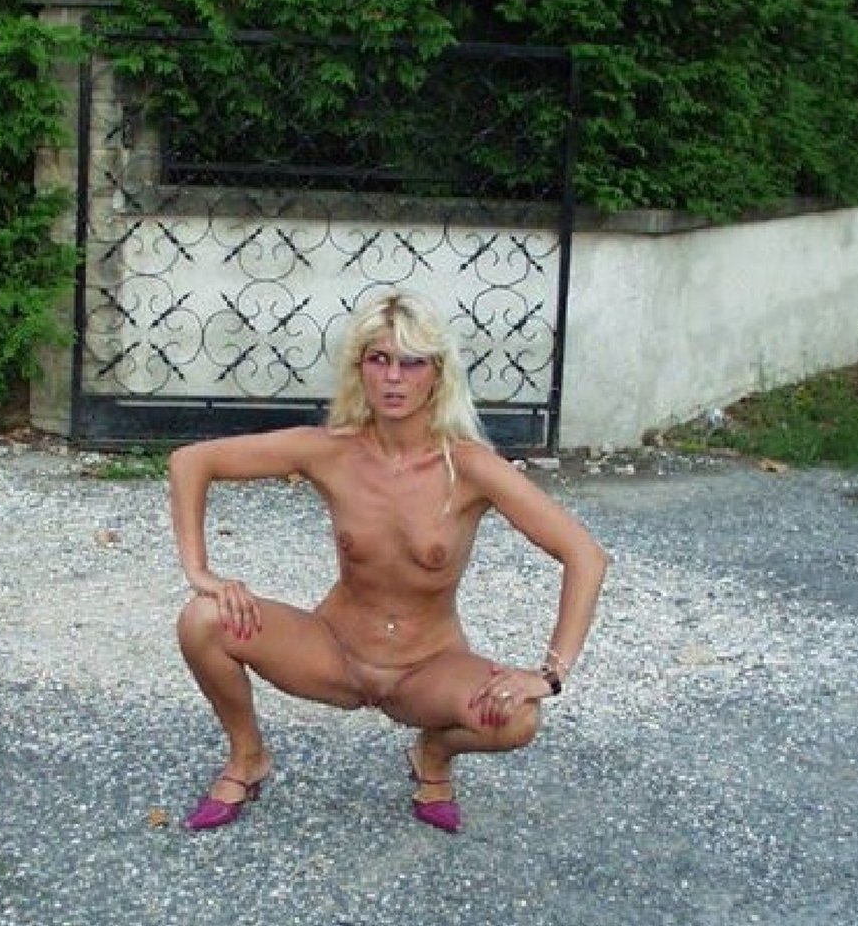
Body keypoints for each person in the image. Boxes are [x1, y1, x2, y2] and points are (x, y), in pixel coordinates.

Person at [169, 290, 610, 833]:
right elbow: (192, 462)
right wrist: (200, 572)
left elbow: (584, 555)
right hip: (333, 653)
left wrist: (550, 674)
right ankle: (247, 756)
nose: (394, 378)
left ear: (437, 374)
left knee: (517, 718)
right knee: (202, 619)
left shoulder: (471, 467)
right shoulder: (328, 450)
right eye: (379, 359)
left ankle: (433, 755)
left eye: (412, 362)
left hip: (425, 670)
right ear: (360, 369)